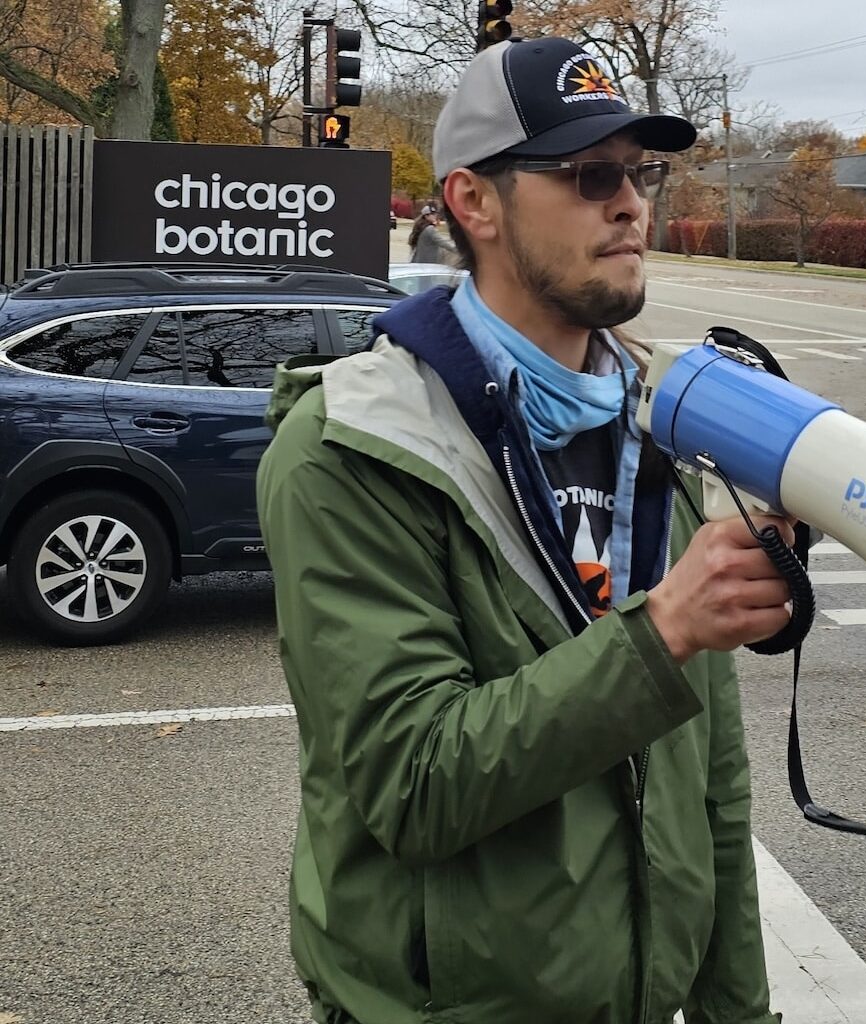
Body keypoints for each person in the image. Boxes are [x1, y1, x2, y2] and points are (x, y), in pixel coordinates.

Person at [257, 35, 788, 1024]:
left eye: (640, 172)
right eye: (590, 174)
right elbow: (413, 781)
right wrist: (665, 630)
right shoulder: (352, 447)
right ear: (474, 203)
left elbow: (714, 788)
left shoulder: (660, 430)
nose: (631, 204)